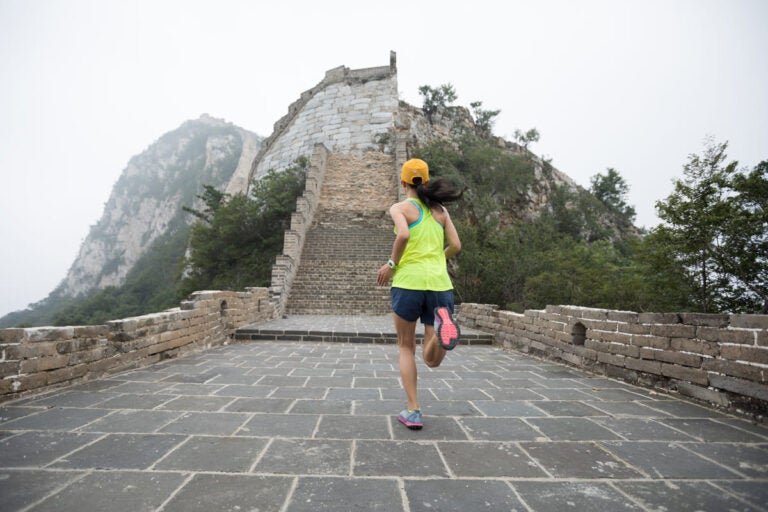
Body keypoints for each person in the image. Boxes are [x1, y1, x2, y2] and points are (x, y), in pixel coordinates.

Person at [376, 158, 463, 430]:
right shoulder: (440, 211)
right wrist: (439, 257)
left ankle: (413, 410)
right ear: (425, 182)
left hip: (408, 283)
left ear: (403, 183)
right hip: (440, 285)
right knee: (431, 359)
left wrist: (391, 265)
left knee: (405, 346)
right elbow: (457, 246)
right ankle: (440, 333)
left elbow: (402, 235)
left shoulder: (400, 208)